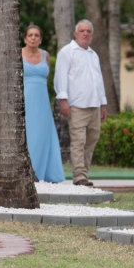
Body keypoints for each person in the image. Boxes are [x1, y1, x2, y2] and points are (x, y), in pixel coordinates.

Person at [53, 19, 107, 187]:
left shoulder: (93, 54)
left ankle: (84, 173)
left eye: (88, 31)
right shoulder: (67, 52)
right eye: (82, 31)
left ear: (92, 35)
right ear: (75, 34)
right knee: (78, 141)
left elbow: (98, 80)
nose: (85, 34)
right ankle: (79, 176)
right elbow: (60, 77)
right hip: (77, 105)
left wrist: (103, 103)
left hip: (94, 105)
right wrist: (63, 100)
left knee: (92, 139)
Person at [21, 24, 65, 183]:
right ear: (25, 38)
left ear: (40, 39)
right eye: (30, 35)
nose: (33, 38)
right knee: (28, 133)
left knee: (43, 134)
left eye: (36, 35)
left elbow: (46, 79)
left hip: (42, 100)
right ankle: (27, 172)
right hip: (25, 98)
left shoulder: (45, 55)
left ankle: (46, 173)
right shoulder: (18, 54)